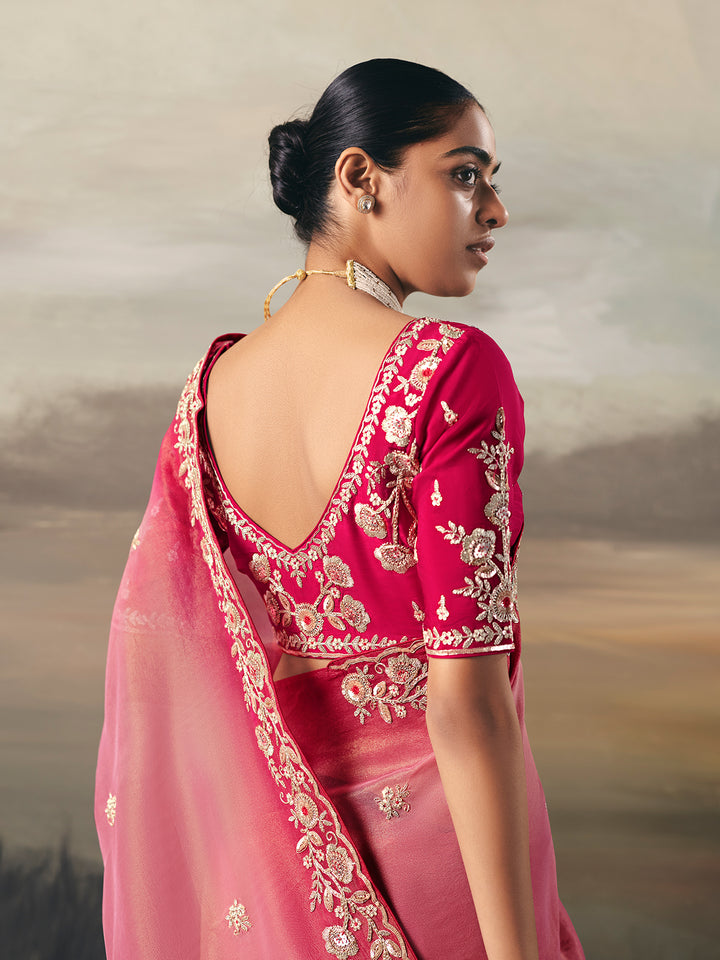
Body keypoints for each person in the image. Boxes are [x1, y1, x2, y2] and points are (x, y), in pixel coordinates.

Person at [95, 58, 585, 960]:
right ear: (361, 178)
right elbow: (465, 701)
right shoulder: (447, 369)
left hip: (271, 880)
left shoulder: (207, 395)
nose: (495, 210)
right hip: (443, 868)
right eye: (464, 173)